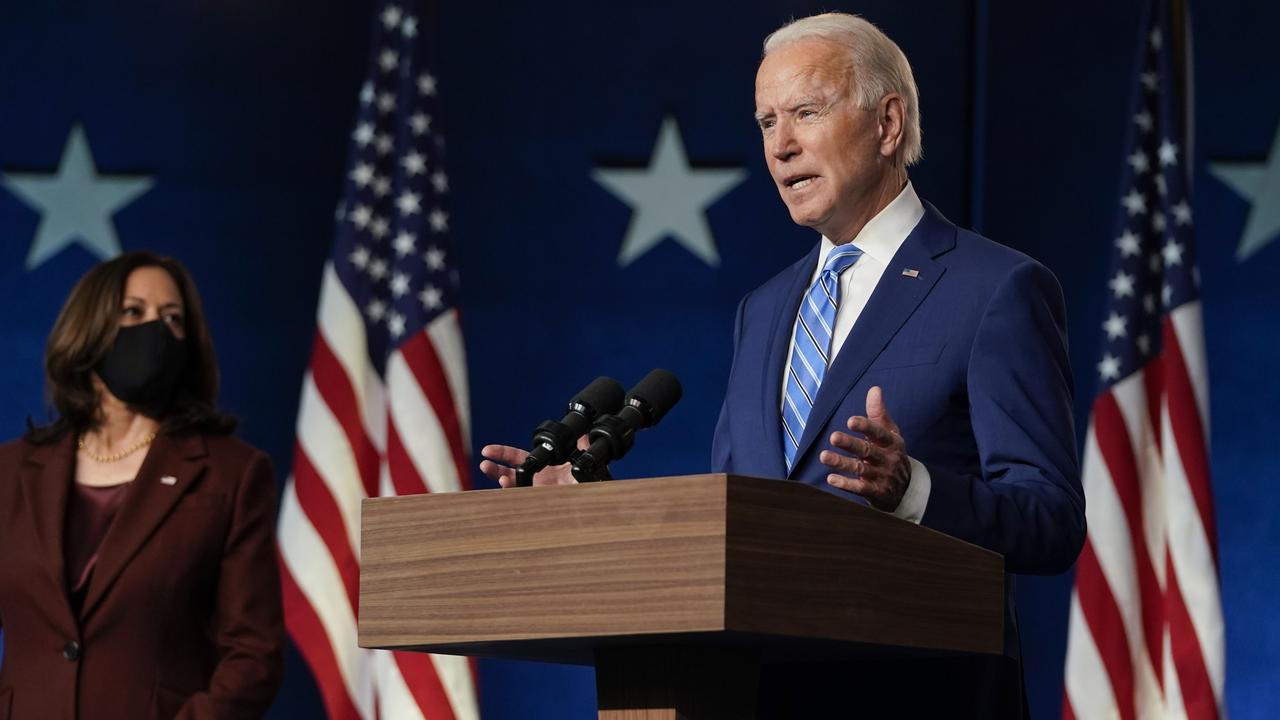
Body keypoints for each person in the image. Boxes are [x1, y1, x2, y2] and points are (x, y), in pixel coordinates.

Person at [481, 12, 1083, 715]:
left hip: (920, 695)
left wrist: (913, 490)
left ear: (888, 125)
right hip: (752, 696)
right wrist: (599, 511)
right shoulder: (763, 309)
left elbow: (1050, 518)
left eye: (806, 112)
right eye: (767, 122)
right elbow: (739, 523)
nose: (782, 146)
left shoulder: (995, 289)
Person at [0, 251, 284, 719]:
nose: (156, 330)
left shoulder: (232, 473)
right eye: (133, 312)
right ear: (88, 329)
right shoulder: (10, 472)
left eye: (173, 319)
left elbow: (254, 655)